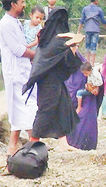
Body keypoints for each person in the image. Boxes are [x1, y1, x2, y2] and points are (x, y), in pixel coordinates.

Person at [24, 11, 82, 152]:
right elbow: (78, 37)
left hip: (56, 81)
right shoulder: (55, 41)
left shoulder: (51, 39)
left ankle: (64, 143)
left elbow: (69, 60)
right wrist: (66, 38)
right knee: (45, 111)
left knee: (63, 107)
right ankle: (32, 143)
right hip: (48, 83)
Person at [0, 0, 38, 157]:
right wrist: (37, 56)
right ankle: (33, 141)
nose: (24, 4)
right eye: (21, 2)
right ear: (13, 4)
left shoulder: (16, 22)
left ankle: (13, 146)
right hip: (15, 72)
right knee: (27, 106)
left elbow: (23, 46)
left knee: (22, 106)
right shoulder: (5, 24)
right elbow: (17, 49)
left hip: (23, 70)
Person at [77, 0, 106, 66]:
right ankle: (92, 63)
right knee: (93, 46)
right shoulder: (99, 10)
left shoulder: (85, 9)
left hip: (87, 29)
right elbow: (103, 21)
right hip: (95, 30)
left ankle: (87, 61)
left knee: (87, 45)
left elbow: (82, 20)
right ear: (96, 0)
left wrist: (78, 31)